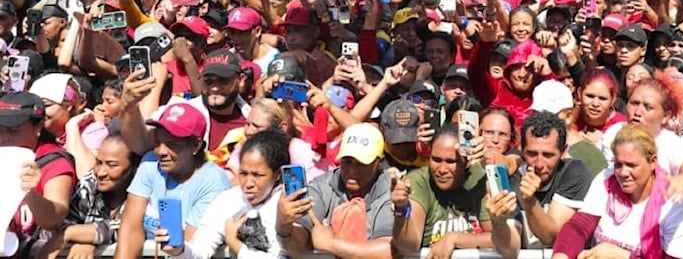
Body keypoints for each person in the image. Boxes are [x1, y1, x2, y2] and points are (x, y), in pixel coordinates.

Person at [552, 124, 683, 259]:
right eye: (618, 164)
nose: (623, 173)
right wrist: (562, 254)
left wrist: (623, 256)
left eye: (631, 165)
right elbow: (580, 225)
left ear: (653, 162)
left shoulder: (673, 208)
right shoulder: (606, 180)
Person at [114, 102, 231, 258]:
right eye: (157, 142)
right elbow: (130, 228)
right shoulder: (150, 162)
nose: (161, 151)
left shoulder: (213, 181)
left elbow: (189, 248)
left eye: (172, 144)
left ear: (196, 146)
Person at [157, 130, 290, 259]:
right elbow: (201, 250)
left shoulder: (288, 204)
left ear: (277, 175)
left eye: (258, 175)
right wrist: (179, 249)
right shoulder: (227, 200)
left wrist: (234, 243)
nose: (248, 183)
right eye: (243, 173)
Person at [280, 123, 394, 258]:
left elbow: (389, 251)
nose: (352, 171)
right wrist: (284, 224)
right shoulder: (321, 187)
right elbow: (298, 247)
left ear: (379, 162)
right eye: (347, 162)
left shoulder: (391, 190)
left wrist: (331, 244)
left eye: (362, 164)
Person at [389, 124, 495, 257]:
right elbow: (408, 247)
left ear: (466, 162)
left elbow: (500, 239)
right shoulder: (418, 181)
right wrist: (401, 208)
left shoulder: (478, 178)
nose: (442, 169)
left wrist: (455, 238)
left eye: (451, 161)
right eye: (436, 160)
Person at [0, 91, 76, 255]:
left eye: (13, 131)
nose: (3, 138)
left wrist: (31, 193)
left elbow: (54, 218)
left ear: (38, 127)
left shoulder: (53, 161)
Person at [511, 110, 592, 248]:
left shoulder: (573, 172)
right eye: (531, 153)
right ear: (521, 149)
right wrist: (498, 221)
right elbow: (509, 246)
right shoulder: (512, 177)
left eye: (548, 155)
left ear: (563, 151)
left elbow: (551, 238)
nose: (539, 164)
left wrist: (529, 201)